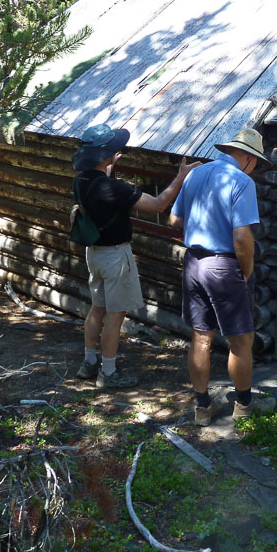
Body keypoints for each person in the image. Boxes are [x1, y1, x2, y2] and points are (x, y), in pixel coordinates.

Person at [72, 123, 199, 388]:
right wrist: (181, 176)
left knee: (98, 308)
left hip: (94, 254)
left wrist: (109, 163)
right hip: (115, 257)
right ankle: (108, 374)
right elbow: (158, 204)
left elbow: (100, 180)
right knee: (116, 315)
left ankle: (90, 362)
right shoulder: (113, 188)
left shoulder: (81, 180)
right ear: (104, 157)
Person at [168, 127, 273, 425]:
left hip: (194, 263)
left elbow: (175, 219)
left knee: (201, 337)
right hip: (225, 266)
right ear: (249, 159)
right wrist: (247, 269)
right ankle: (244, 405)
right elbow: (242, 237)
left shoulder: (196, 175)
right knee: (240, 340)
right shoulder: (241, 181)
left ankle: (202, 408)